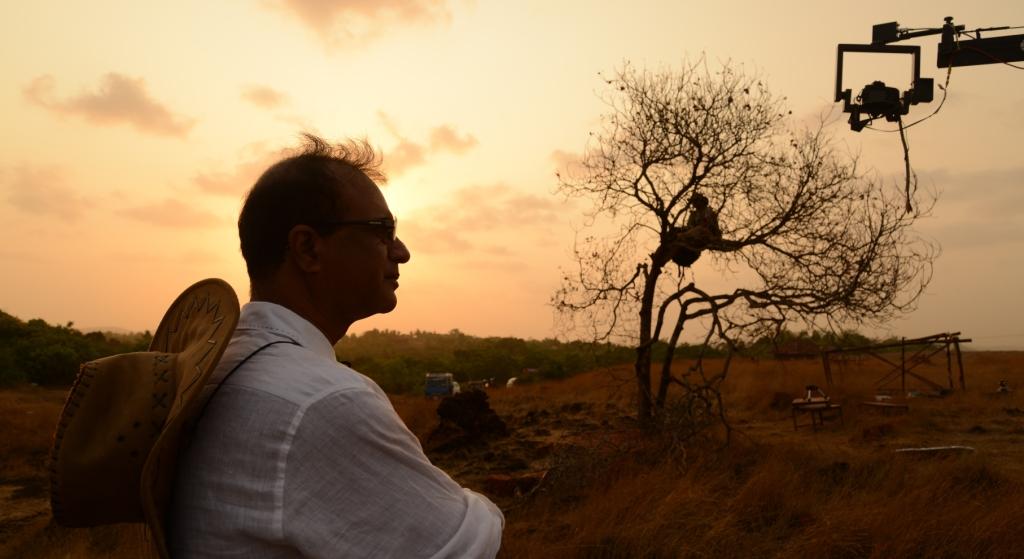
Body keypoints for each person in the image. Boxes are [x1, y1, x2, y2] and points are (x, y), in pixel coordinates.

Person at [169, 134, 504, 557]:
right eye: (382, 231)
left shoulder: (219, 367)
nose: (402, 252)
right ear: (308, 248)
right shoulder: (322, 402)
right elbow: (469, 549)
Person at [670, 192, 721, 268]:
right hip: (694, 234)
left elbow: (713, 228)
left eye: (695, 201)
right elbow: (689, 226)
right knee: (677, 230)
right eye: (693, 202)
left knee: (699, 229)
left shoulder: (709, 212)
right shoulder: (694, 214)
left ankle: (680, 237)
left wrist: (716, 237)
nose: (693, 204)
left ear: (700, 201)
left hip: (706, 234)